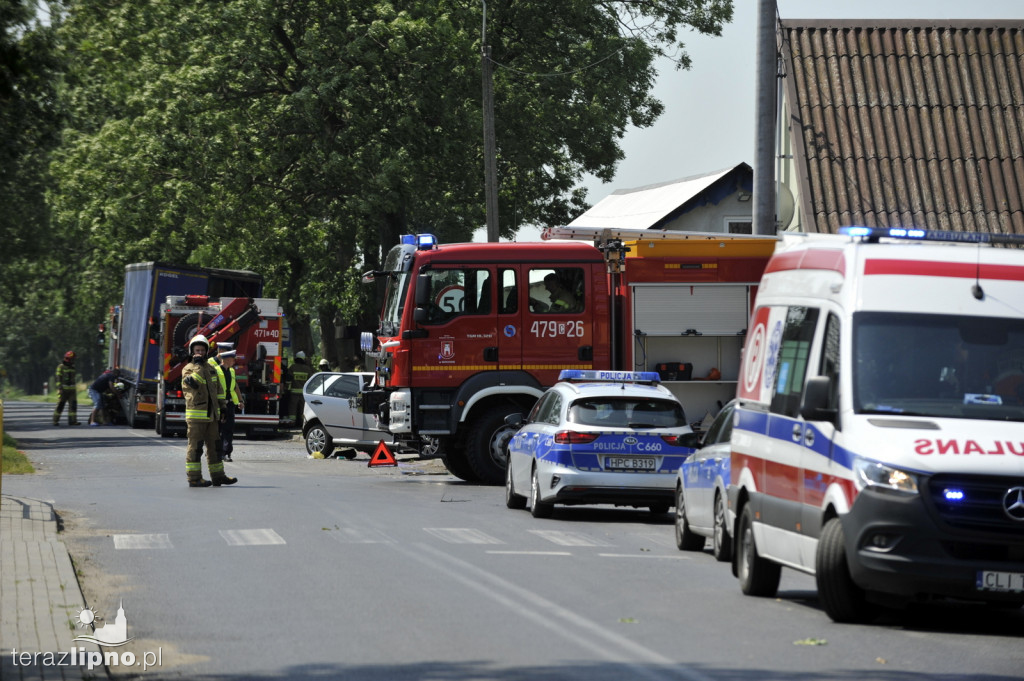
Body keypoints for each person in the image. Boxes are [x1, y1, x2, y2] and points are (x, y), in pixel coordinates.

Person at [181, 334, 236, 488]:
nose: (199, 353)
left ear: (206, 352)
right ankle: (194, 478)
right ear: (192, 352)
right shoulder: (188, 369)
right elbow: (194, 383)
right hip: (196, 417)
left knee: (215, 448)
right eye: (197, 350)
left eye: (202, 350)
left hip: (212, 416)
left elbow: (218, 390)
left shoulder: (211, 369)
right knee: (196, 448)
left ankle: (218, 476)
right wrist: (198, 366)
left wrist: (223, 407)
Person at [219, 349, 242, 461]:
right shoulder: (216, 370)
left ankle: (227, 453)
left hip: (230, 404)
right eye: (233, 359)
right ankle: (217, 452)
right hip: (219, 404)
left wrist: (240, 401)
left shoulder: (232, 371)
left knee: (229, 429)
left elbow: (235, 387)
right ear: (227, 359)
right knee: (218, 430)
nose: (234, 361)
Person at [53, 351, 81, 426]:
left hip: (72, 390)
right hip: (63, 390)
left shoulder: (73, 367)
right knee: (60, 405)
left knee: (73, 406)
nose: (74, 360)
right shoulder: (60, 367)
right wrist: (59, 388)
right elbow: (58, 378)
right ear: (68, 359)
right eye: (73, 359)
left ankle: (72, 421)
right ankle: (55, 420)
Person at [289, 351, 310, 426]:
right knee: (303, 409)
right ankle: (302, 423)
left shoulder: (292, 367)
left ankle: (291, 423)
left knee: (292, 408)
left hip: (294, 392)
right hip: (303, 393)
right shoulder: (307, 369)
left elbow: (288, 378)